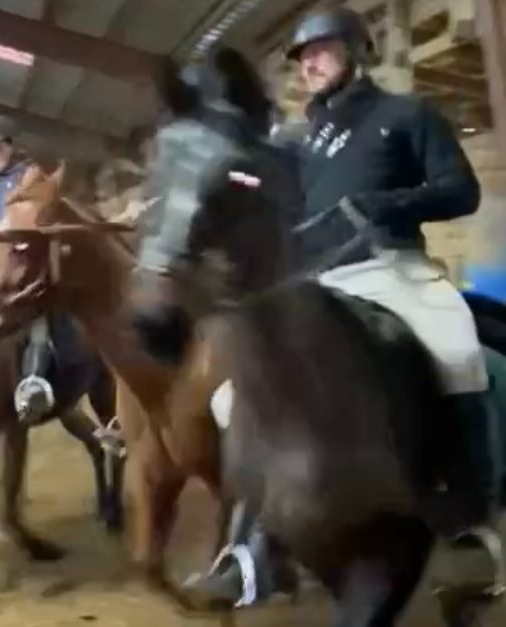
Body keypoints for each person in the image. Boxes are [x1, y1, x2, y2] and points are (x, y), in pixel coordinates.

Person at [187, 6, 503, 608]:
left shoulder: (406, 115)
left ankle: (470, 520)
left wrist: (385, 204)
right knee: (233, 395)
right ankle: (253, 546)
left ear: (358, 50)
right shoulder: (300, 146)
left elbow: (460, 191)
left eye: (322, 50)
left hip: (393, 270)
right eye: (303, 57)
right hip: (319, 284)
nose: (309, 62)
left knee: (459, 350)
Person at [0, 115, 58, 422]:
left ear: (11, 145)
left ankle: (34, 381)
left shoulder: (31, 178)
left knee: (36, 314)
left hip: (29, 267)